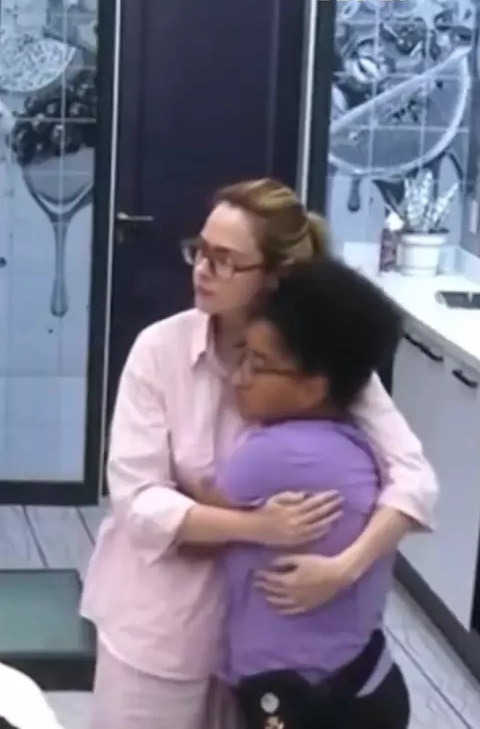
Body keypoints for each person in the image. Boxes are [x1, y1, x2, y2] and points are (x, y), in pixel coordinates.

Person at [81, 178, 438, 729]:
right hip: (160, 628)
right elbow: (139, 500)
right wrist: (258, 526)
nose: (202, 270)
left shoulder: (321, 359)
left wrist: (342, 570)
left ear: (275, 274)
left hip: (263, 646)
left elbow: (414, 480)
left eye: (224, 260)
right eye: (199, 251)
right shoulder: (160, 349)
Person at [200, 256, 410, 728]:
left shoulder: (274, 455)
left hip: (305, 704)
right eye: (242, 357)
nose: (239, 377)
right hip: (361, 680)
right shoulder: (352, 440)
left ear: (313, 387)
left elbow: (195, 534)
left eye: (259, 365)